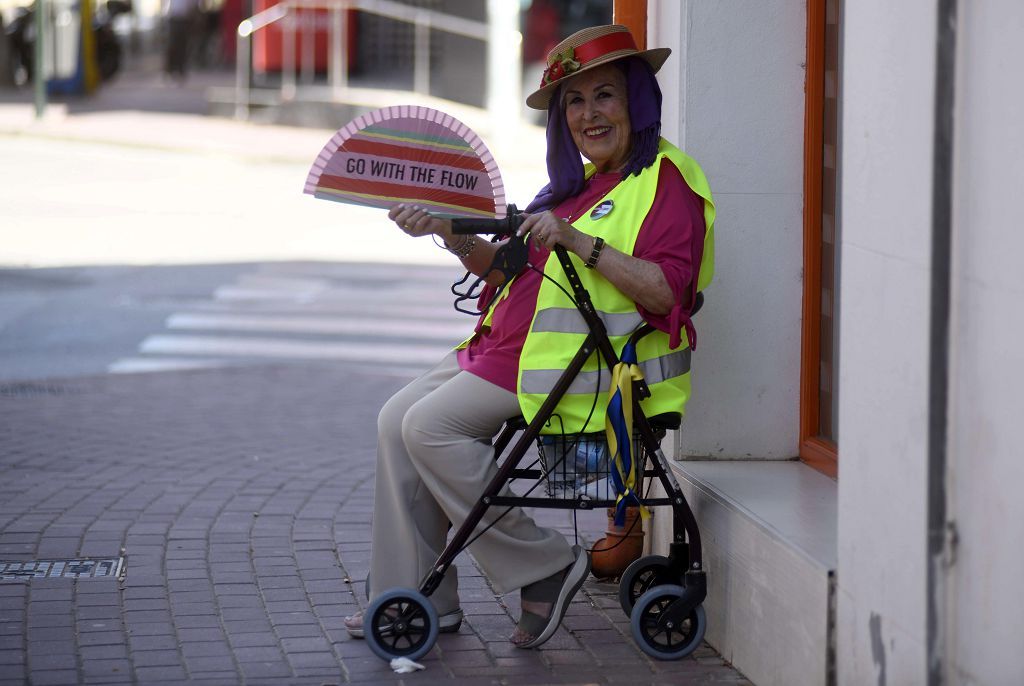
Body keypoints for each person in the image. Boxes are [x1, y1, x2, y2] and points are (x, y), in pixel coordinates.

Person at [344, 24, 715, 649]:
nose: (588, 114)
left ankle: (543, 566)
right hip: (505, 350)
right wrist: (446, 230)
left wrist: (580, 243)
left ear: (637, 100)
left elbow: (666, 294)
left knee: (427, 428)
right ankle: (416, 594)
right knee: (392, 420)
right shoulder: (575, 186)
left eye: (604, 95)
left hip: (575, 370)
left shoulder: (664, 181)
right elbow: (503, 270)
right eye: (574, 101)